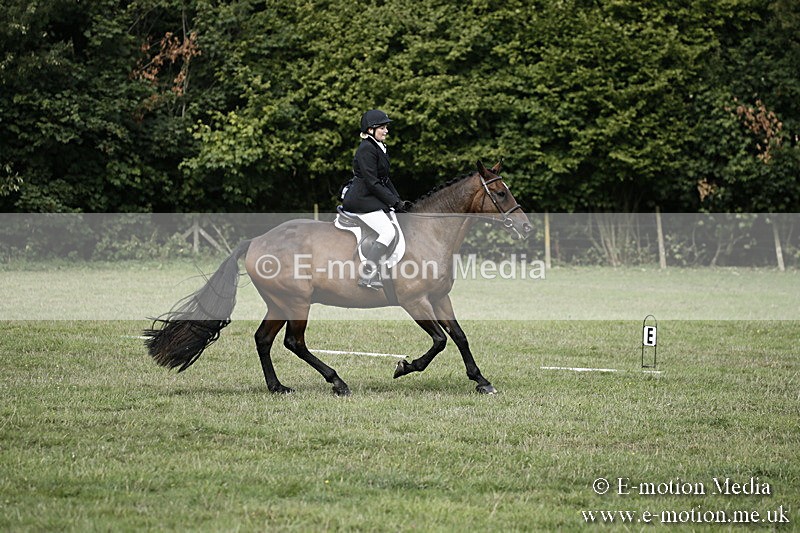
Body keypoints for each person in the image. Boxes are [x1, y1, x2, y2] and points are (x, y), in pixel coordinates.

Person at [342, 109, 412, 289]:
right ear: (370, 129)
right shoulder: (366, 149)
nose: (386, 130)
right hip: (360, 200)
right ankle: (368, 275)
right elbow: (372, 182)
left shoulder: (378, 147)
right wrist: (393, 202)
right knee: (388, 231)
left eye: (386, 127)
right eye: (382, 127)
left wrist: (398, 201)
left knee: (395, 218)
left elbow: (384, 180)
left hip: (370, 196)